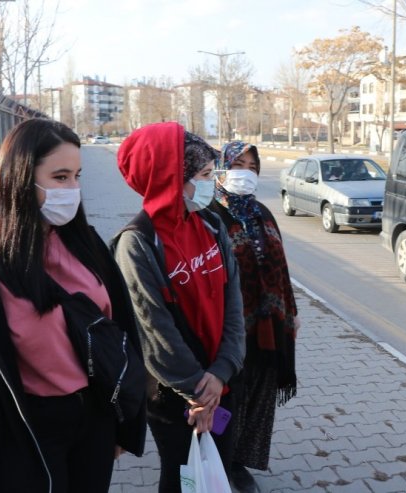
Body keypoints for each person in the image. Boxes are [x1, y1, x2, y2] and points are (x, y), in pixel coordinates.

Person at [0, 119, 146, 492]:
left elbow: (123, 330)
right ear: (19, 180)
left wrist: (123, 423)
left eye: (77, 176)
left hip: (95, 418)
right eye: (60, 177)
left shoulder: (86, 244)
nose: (73, 189)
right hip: (32, 434)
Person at [112, 122, 245, 492]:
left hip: (223, 381)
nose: (211, 183)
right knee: (183, 476)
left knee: (219, 466)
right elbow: (153, 331)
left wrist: (223, 370)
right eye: (203, 175)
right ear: (172, 178)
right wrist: (199, 390)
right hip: (178, 394)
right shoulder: (137, 244)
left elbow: (234, 299)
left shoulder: (209, 223)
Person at [208, 141, 299, 493]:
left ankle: (239, 462)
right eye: (237, 164)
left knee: (259, 395)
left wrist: (291, 312)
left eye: (251, 166)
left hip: (268, 326)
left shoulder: (263, 212)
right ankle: (217, 457)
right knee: (232, 395)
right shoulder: (210, 214)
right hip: (228, 329)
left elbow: (281, 265)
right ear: (220, 168)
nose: (244, 172)